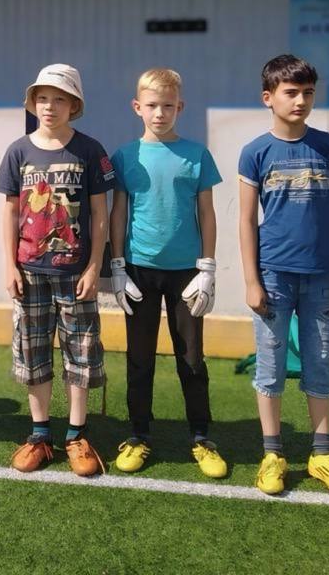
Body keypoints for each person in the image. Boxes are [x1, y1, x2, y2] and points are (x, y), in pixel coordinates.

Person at [238, 54, 329, 496]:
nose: (300, 101)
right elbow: (246, 221)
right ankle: (272, 454)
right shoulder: (255, 152)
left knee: (319, 364)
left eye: (308, 92)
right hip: (273, 276)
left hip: (323, 276)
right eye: (290, 93)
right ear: (268, 97)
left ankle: (322, 454)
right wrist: (252, 280)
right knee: (269, 367)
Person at [0, 64, 115, 477]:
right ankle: (40, 434)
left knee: (81, 352)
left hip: (76, 272)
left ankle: (76, 436)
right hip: (29, 273)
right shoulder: (18, 151)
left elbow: (100, 213)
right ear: (33, 103)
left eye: (59, 99)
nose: (50, 106)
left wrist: (95, 266)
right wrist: (9, 264)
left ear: (74, 105)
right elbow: (10, 211)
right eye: (43, 98)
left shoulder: (89, 150)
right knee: (33, 352)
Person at [108, 68, 227, 478]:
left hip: (187, 274)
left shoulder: (197, 155)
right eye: (152, 105)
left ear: (181, 107)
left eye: (168, 106)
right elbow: (118, 213)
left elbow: (207, 213)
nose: (160, 113)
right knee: (139, 359)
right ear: (137, 107)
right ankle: (138, 434)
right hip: (139, 270)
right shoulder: (125, 156)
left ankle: (201, 437)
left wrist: (208, 267)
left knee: (191, 359)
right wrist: (117, 265)